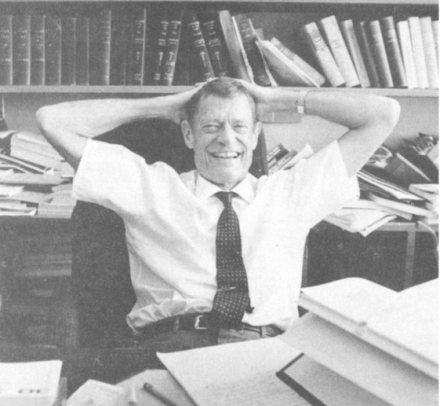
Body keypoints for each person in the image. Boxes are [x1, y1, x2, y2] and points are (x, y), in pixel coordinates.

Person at [36, 77, 400, 352]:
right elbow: (51, 119)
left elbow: (383, 115)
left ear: (256, 135)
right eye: (210, 126)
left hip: (266, 350)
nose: (227, 139)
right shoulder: (149, 186)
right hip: (172, 345)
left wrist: (275, 97)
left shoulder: (290, 192)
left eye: (239, 126)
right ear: (189, 134)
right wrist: (163, 105)